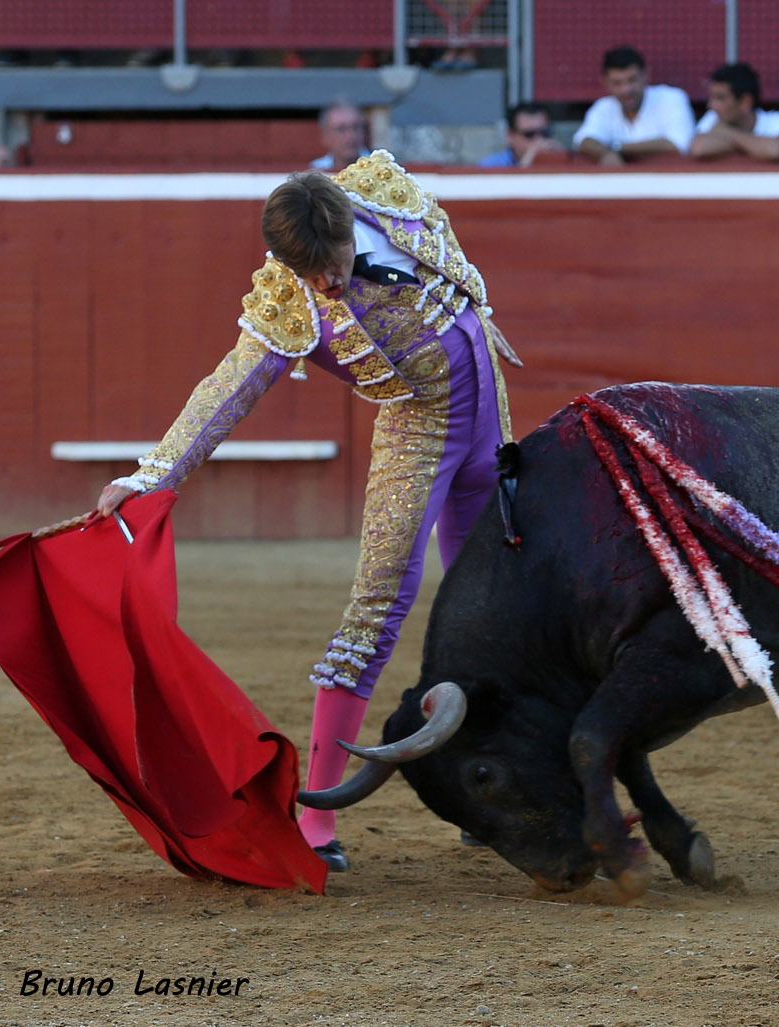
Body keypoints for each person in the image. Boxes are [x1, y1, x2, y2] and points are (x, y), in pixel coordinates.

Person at [92, 156, 522, 873]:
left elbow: (453, 267)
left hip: (489, 421)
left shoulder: (384, 194)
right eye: (311, 273)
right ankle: (317, 814)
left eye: (335, 264)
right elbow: (226, 389)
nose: (327, 284)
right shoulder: (288, 301)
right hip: (419, 434)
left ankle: (493, 789)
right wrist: (153, 473)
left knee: (498, 607)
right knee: (377, 605)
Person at [573, 46, 694, 164]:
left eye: (632, 80)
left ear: (645, 75)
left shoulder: (671, 98)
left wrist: (617, 148)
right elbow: (583, 141)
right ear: (605, 82)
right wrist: (605, 153)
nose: (626, 89)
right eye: (617, 83)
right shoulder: (603, 107)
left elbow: (679, 144)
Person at [688, 62, 779, 162]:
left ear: (745, 102)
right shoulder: (712, 117)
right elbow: (699, 148)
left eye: (720, 98)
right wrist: (754, 147)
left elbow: (775, 150)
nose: (711, 105)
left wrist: (725, 132)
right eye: (712, 97)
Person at [477, 103, 567, 167]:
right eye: (529, 134)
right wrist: (524, 168)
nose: (540, 139)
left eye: (545, 132)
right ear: (511, 136)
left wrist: (564, 159)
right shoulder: (491, 166)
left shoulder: (557, 157)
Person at [309, 99, 372, 172]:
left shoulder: (380, 166)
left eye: (356, 127)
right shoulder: (315, 171)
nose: (351, 136)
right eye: (341, 129)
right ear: (326, 136)